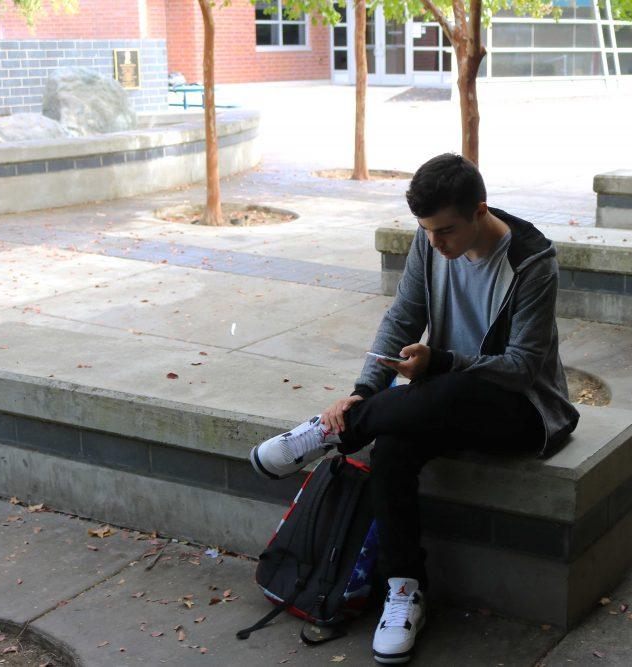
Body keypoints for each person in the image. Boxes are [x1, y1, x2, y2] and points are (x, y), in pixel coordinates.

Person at [249, 152, 580, 664]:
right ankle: (404, 590)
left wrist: (441, 361)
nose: (433, 242)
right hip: (443, 400)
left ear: (480, 211)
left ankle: (333, 433)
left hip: (524, 411)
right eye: (425, 230)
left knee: (442, 388)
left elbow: (521, 368)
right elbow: (402, 317)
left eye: (445, 230)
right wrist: (363, 389)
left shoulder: (532, 261)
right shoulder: (430, 242)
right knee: (397, 444)